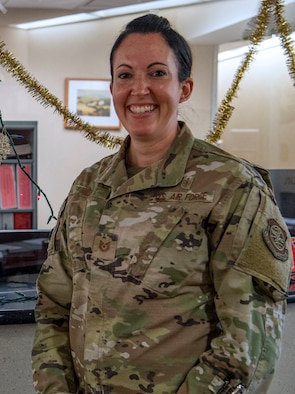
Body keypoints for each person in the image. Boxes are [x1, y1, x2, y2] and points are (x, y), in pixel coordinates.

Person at [32, 14, 292, 394]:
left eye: (156, 73)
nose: (139, 89)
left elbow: (248, 345)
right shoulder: (88, 187)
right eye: (125, 75)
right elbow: (53, 306)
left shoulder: (233, 187)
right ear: (112, 87)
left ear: (183, 88)